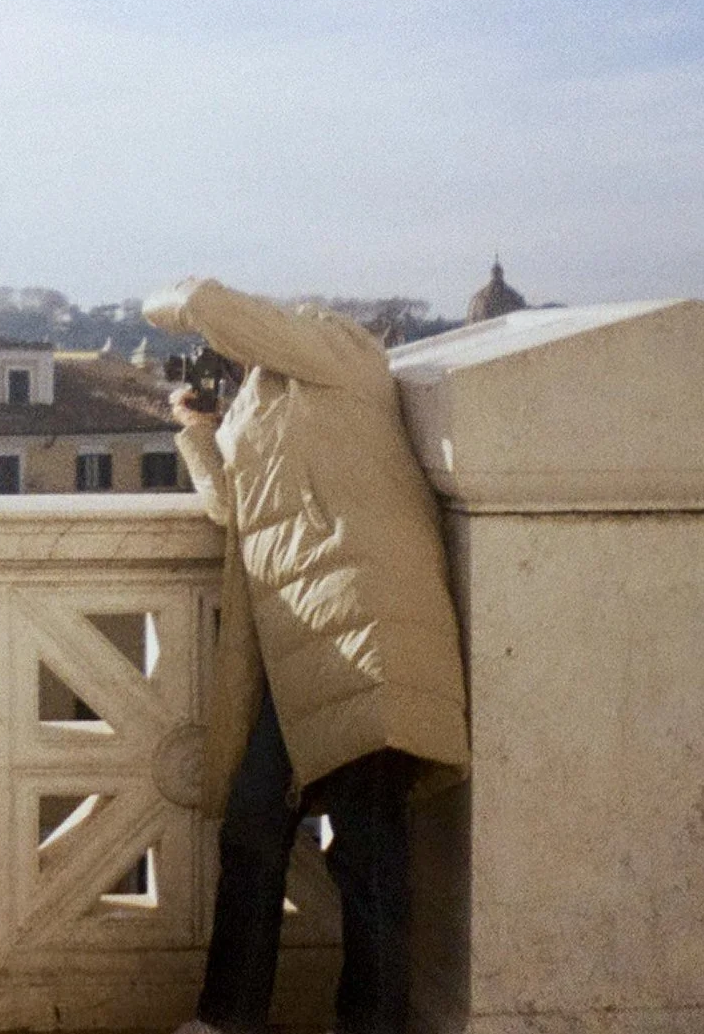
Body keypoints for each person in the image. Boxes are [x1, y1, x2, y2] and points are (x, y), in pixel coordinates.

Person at [141, 277, 469, 1034]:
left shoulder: (345, 356)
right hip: (299, 654)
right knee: (255, 824)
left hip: (366, 631)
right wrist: (198, 429)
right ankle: (230, 1017)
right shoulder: (260, 406)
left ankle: (371, 1023)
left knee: (366, 848)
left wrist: (164, 302)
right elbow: (234, 511)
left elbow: (216, 306)